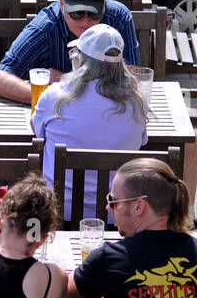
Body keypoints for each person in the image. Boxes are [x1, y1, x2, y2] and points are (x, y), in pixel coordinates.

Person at [68, 157, 197, 298]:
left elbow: (66, 291)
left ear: (138, 206)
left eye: (113, 200)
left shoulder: (109, 258)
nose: (108, 207)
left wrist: (111, 292)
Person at [32, 24, 147, 221]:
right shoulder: (137, 103)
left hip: (58, 213)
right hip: (118, 216)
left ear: (82, 61)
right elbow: (142, 141)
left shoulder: (53, 97)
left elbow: (37, 134)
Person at [0, 0, 140, 103]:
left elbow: (133, 79)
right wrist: (60, 96)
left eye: (94, 13)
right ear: (61, 4)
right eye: (77, 13)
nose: (85, 20)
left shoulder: (118, 17)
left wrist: (66, 81)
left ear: (104, 6)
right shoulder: (45, 28)